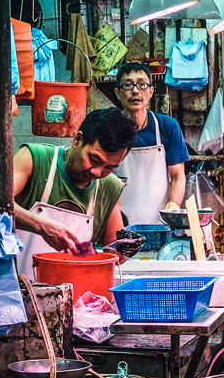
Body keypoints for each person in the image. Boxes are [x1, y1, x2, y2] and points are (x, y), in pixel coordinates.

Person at [12, 108, 137, 273]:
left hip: (73, 290)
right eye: (94, 159)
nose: (97, 172)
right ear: (77, 140)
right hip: (18, 287)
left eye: (109, 167)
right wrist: (40, 226)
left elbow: (111, 250)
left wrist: (121, 251)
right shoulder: (33, 159)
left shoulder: (109, 186)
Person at [113, 62, 190, 225]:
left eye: (141, 84)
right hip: (116, 221)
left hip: (159, 222)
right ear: (117, 93)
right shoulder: (107, 128)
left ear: (151, 91)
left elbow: (177, 176)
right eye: (128, 85)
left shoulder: (168, 126)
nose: (135, 91)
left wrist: (172, 209)